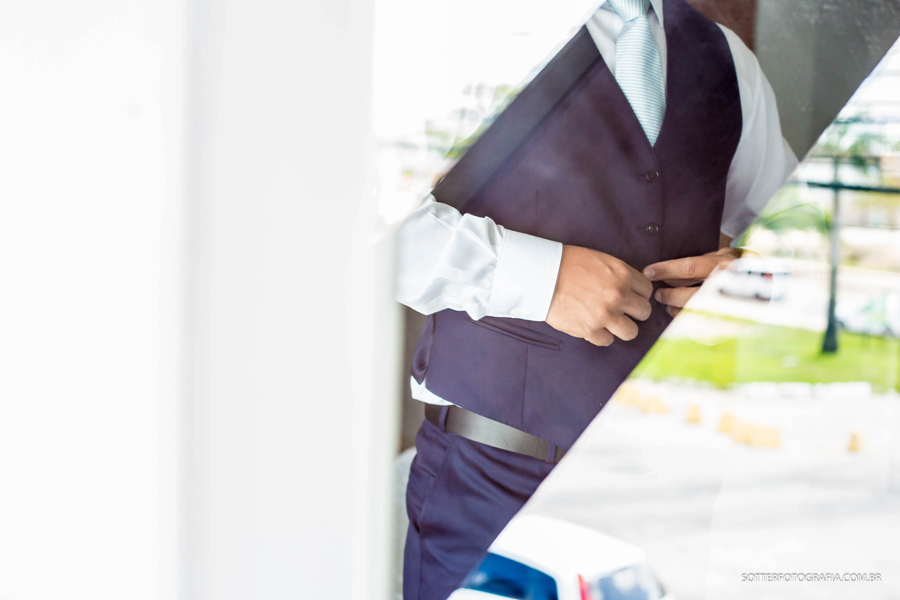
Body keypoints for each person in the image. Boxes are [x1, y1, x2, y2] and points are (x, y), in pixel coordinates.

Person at [395, 1, 798, 599]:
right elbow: (362, 229)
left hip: (673, 497)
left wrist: (756, 280)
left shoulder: (726, 61)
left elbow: (799, 233)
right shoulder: (471, 34)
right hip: (492, 490)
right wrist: (541, 279)